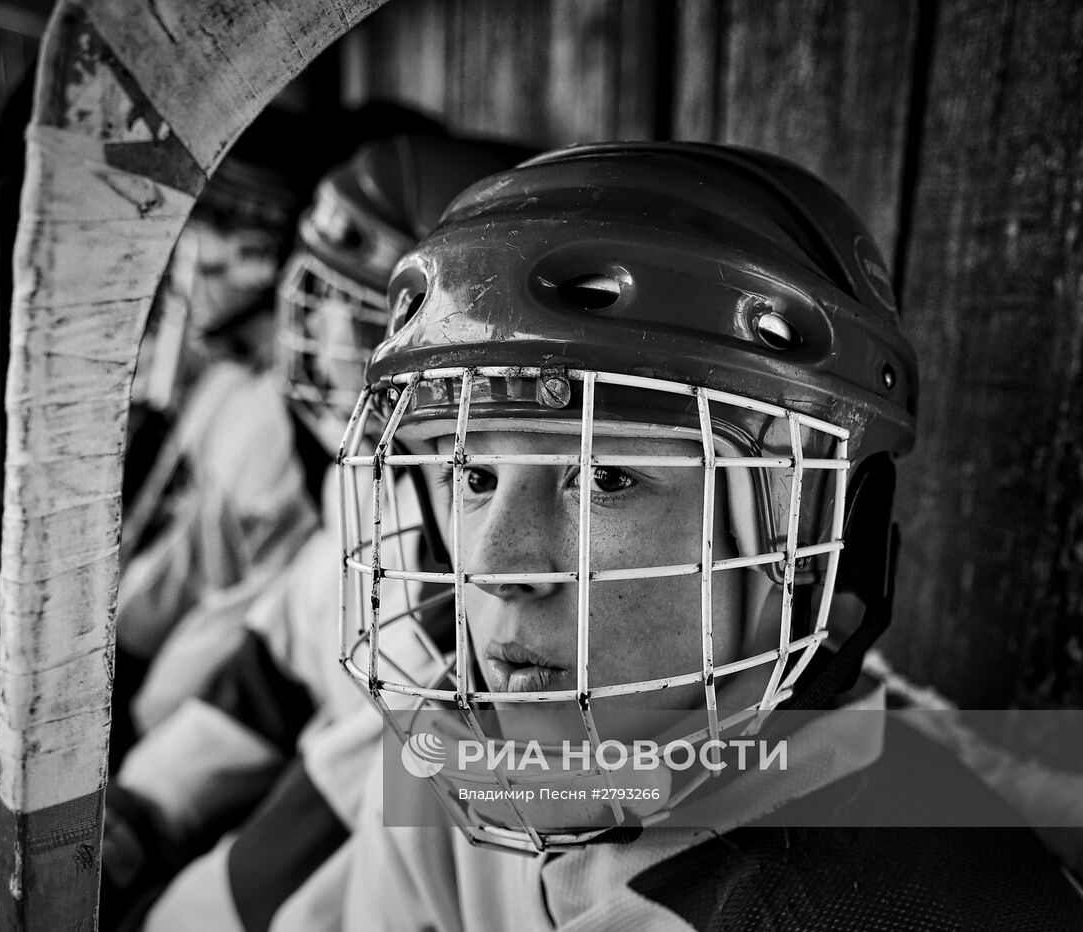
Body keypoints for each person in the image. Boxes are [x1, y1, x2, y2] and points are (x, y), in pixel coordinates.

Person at [335, 143, 1083, 930]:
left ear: (823, 536)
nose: (493, 565)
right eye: (475, 478)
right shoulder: (452, 770)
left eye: (605, 480)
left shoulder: (906, 906)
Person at [99, 133, 534, 932]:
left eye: (361, 311)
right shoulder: (368, 478)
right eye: (319, 298)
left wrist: (182, 915)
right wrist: (146, 802)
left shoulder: (479, 582)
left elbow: (351, 807)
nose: (328, 341)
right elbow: (278, 665)